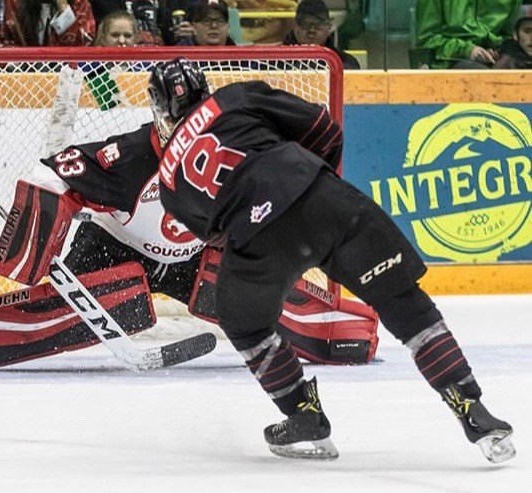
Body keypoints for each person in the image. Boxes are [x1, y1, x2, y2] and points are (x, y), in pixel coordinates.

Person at [147, 58, 515, 462]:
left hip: (259, 238)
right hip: (322, 198)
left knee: (243, 322)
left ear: (161, 108)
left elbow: (215, 236)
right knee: (402, 302)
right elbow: (323, 128)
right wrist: (310, 180)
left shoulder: (168, 181)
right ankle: (472, 410)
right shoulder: (234, 97)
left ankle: (303, 416)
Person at [0, 99, 378, 372]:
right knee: (112, 304)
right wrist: (34, 241)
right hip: (113, 250)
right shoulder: (127, 157)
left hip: (191, 259)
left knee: (240, 291)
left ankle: (345, 329)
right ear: (159, 116)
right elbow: (52, 174)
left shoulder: (232, 151)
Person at [415, 0, 520, 69]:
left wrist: (497, 50)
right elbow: (427, 40)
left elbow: (509, 35)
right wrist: (467, 50)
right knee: (479, 75)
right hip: (447, 62)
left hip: (494, 59)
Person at [283, 0, 360, 69]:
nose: (312, 30)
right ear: (294, 25)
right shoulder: (275, 61)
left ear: (329, 27)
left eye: (319, 25)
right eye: (305, 24)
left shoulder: (346, 63)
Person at [0, 0, 95, 46]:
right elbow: (0, 43)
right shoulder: (13, 2)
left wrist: (64, 9)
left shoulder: (80, 4)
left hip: (66, 78)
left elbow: (83, 48)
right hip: (21, 78)